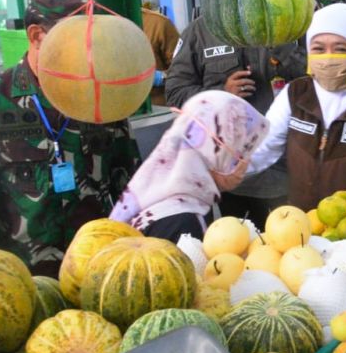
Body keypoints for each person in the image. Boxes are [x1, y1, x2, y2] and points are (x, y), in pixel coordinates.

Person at [0, 0, 141, 276]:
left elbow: (130, 185)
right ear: (38, 36)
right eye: (77, 42)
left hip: (100, 272)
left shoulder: (102, 95)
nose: (90, 55)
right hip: (27, 280)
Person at [165, 0, 307, 224]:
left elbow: (313, 79)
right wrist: (221, 92)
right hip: (229, 173)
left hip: (285, 171)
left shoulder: (290, 24)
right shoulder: (199, 33)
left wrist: (280, 44)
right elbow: (176, 92)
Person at [247, 4, 346, 210]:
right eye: (319, 49)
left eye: (341, 48)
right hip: (299, 232)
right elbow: (262, 149)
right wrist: (216, 167)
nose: (328, 58)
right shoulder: (295, 94)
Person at [109, 91, 267, 241]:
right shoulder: (183, 224)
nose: (246, 163)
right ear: (213, 155)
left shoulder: (160, 191)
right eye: (241, 153)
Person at [140, 3, 180, 106]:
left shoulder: (157, 24)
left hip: (156, 108)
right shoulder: (94, 25)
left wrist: (162, 76)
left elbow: (184, 68)